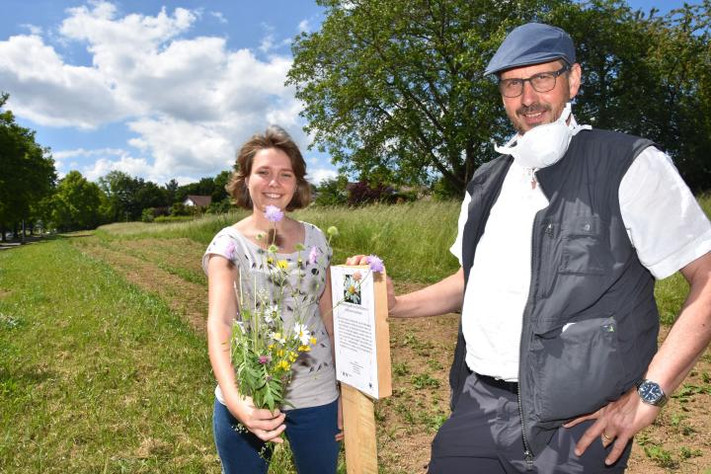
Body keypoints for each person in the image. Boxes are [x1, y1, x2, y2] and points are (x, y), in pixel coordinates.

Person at [351, 22, 711, 473]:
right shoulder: (486, 182)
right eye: (512, 84)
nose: (528, 97)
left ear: (573, 79)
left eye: (543, 78)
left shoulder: (630, 165)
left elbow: (707, 277)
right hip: (478, 406)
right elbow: (470, 280)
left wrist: (650, 394)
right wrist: (396, 303)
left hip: (576, 427)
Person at [203, 125, 342, 474]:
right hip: (250, 390)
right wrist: (239, 404)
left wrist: (343, 390)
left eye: (286, 174)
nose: (274, 183)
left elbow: (327, 311)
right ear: (245, 180)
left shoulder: (316, 239)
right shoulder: (228, 245)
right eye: (263, 173)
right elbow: (219, 322)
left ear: (297, 183)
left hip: (317, 392)